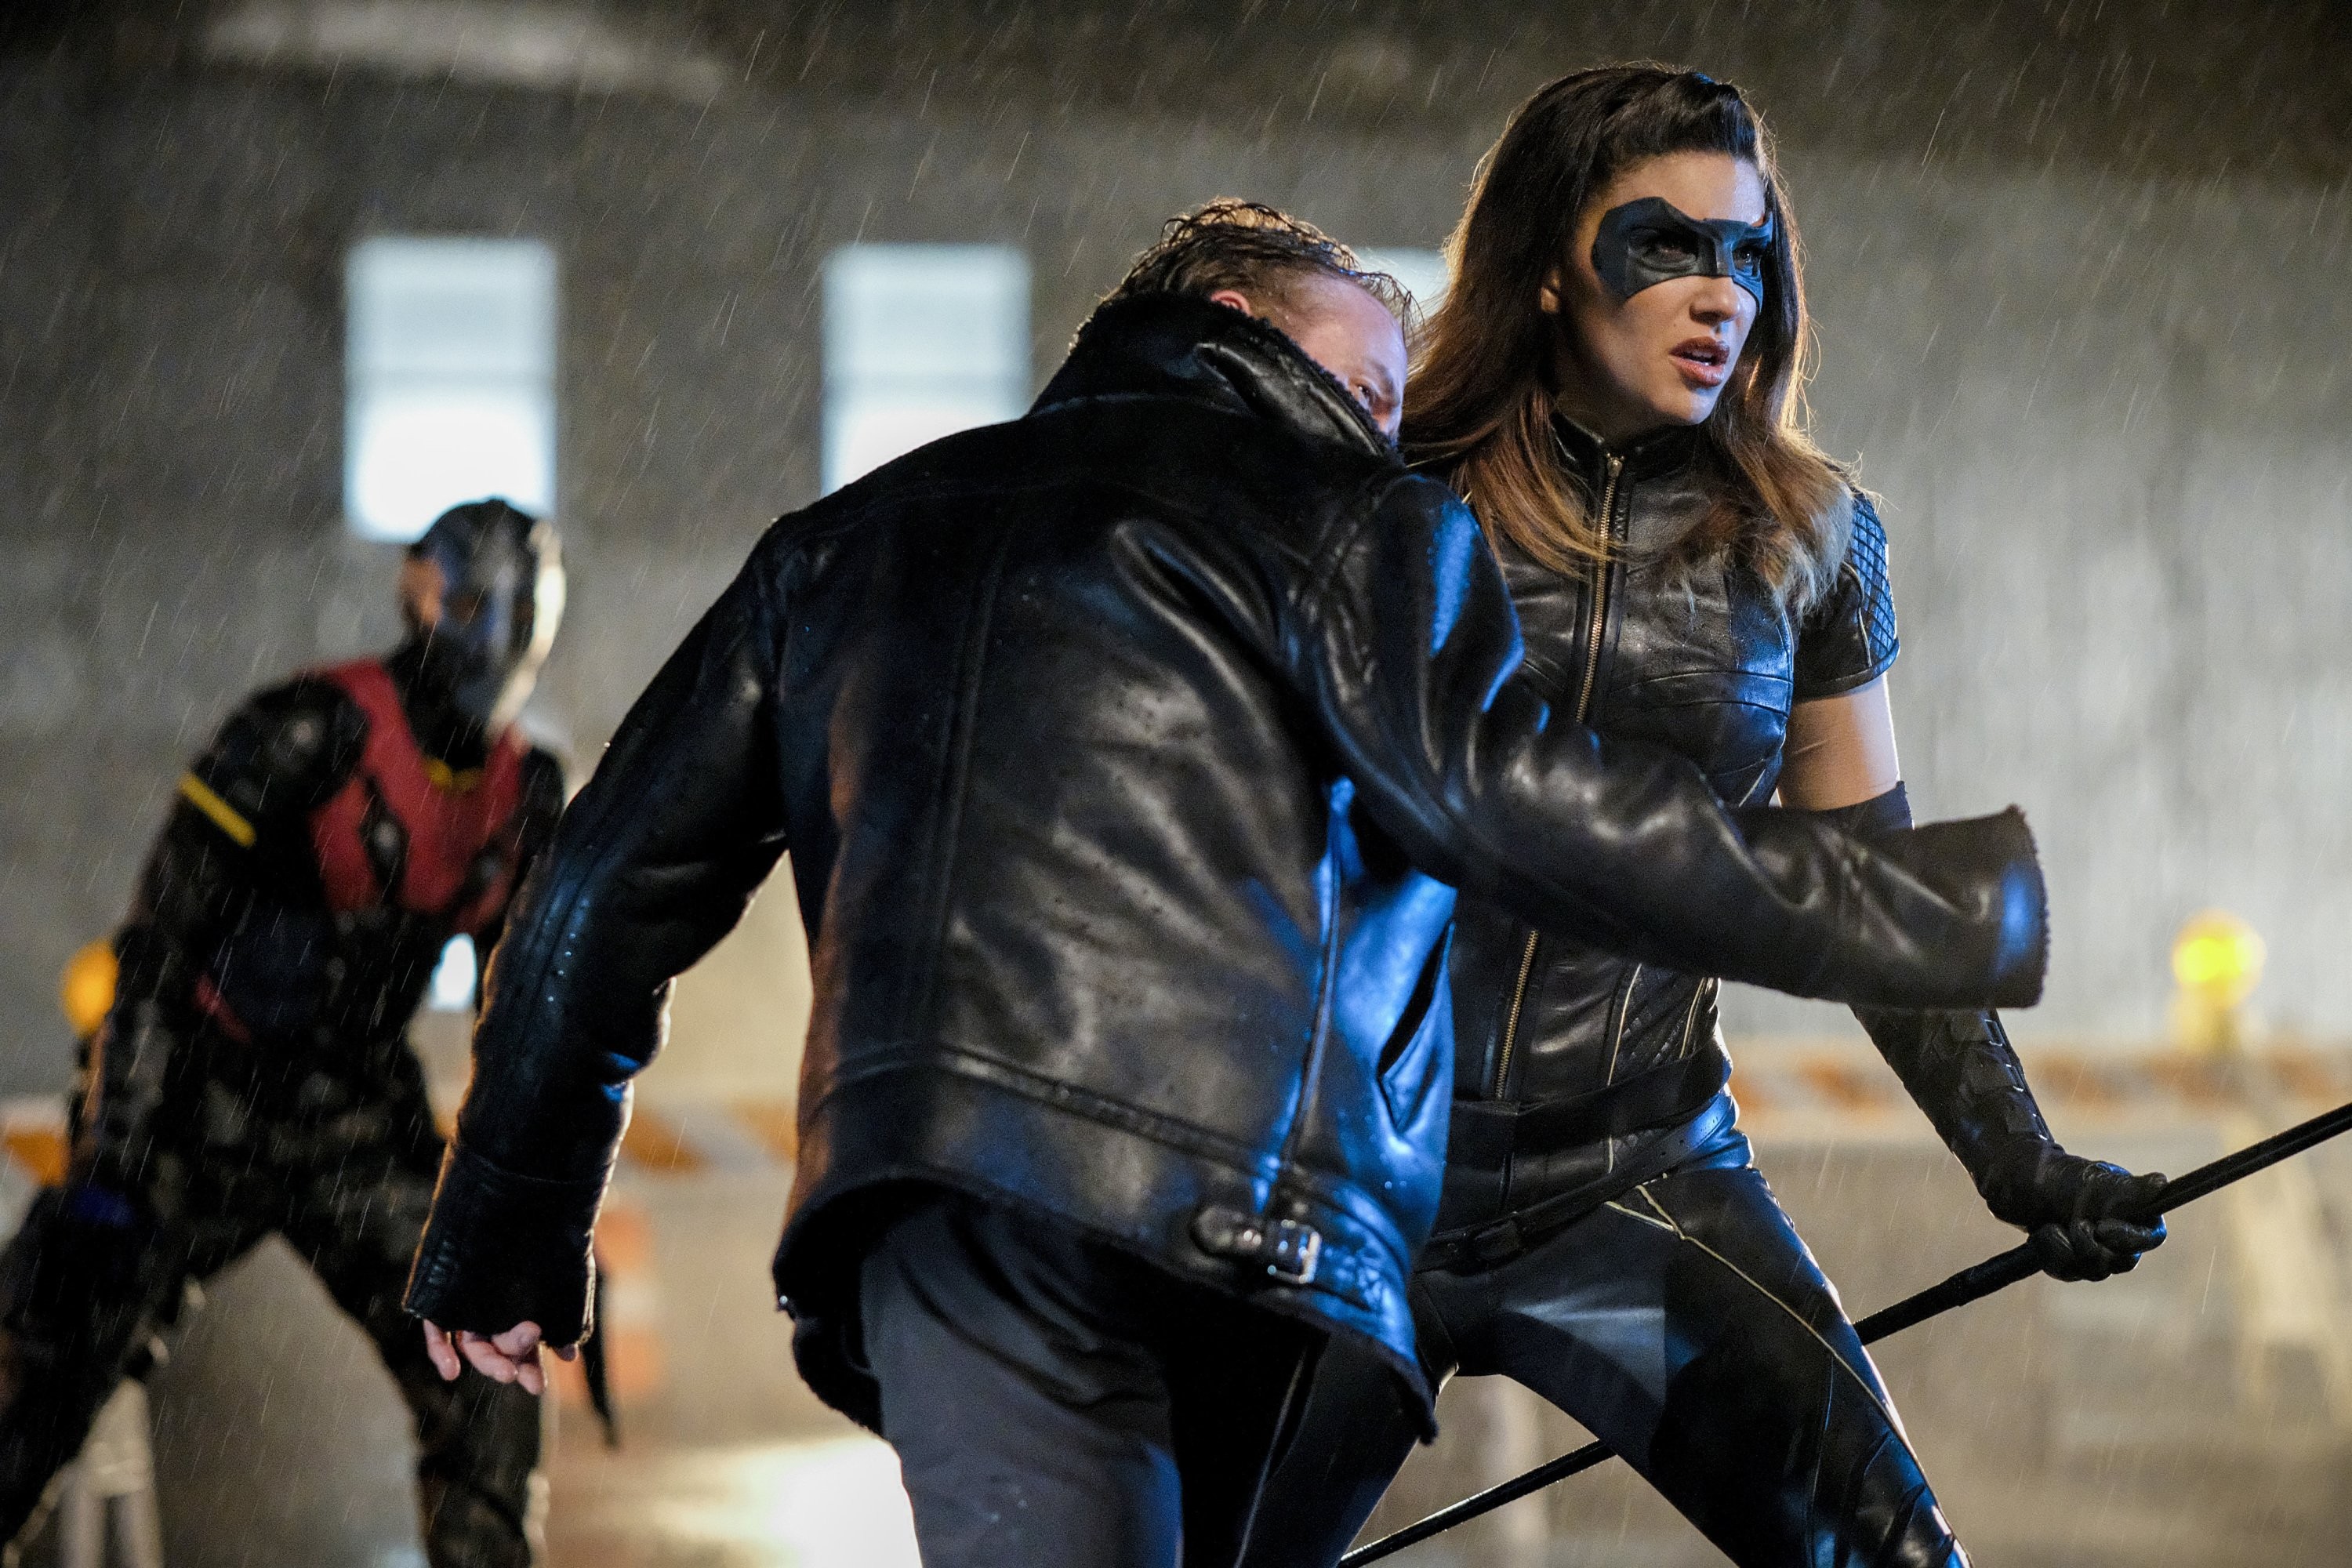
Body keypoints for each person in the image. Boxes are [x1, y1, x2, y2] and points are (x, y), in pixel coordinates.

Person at [403, 202, 2049, 1568]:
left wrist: (502, 1232)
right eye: (1372, 375)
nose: (1393, 427)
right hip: (1254, 1226)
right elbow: (1521, 807)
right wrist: (1925, 910)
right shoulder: (1357, 525)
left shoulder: (844, 543)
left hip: (956, 1197)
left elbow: (596, 895)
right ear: (1234, 316)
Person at [1240, 68, 2169, 1568]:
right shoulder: (1371, 488)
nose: (1719, 292)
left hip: (1632, 1189)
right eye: (1664, 245)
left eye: (1747, 255)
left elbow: (1859, 885)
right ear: (1549, 263)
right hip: (1346, 1187)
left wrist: (2021, 1159)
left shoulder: (1810, 539)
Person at [0, 499, 568, 1568]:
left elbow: (530, 1019)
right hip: (201, 1102)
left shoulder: (521, 794)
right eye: (481, 606)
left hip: (355, 1119)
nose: (500, 636)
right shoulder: (306, 733)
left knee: (487, 1370)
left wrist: (530, 1210)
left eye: (521, 612)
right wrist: (116, 1156)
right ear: (425, 595)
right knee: (48, 1367)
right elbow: (161, 941)